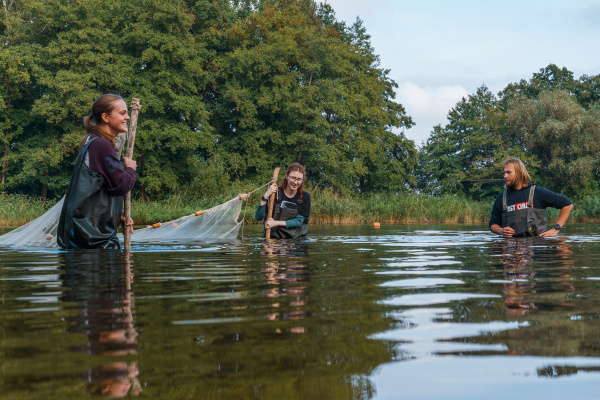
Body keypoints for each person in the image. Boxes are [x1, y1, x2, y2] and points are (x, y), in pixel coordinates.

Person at [58, 94, 137, 249]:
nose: (127, 117)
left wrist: (117, 213)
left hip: (83, 236)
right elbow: (121, 185)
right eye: (122, 113)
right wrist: (130, 169)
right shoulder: (101, 145)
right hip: (94, 240)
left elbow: (100, 188)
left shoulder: (91, 140)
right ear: (105, 117)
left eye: (127, 113)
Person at [489, 157, 573, 238]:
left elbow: (567, 204)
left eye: (508, 172)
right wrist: (501, 231)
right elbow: (493, 224)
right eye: (504, 173)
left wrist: (555, 229)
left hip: (538, 247)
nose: (505, 176)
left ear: (519, 173)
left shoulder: (538, 192)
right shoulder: (501, 198)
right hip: (511, 248)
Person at [255, 163, 311, 238]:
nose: (295, 182)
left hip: (296, 241)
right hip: (274, 239)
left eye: (299, 179)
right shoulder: (274, 194)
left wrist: (275, 223)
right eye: (293, 178)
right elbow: (258, 217)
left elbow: (298, 221)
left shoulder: (305, 197)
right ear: (287, 176)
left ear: (302, 180)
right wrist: (266, 196)